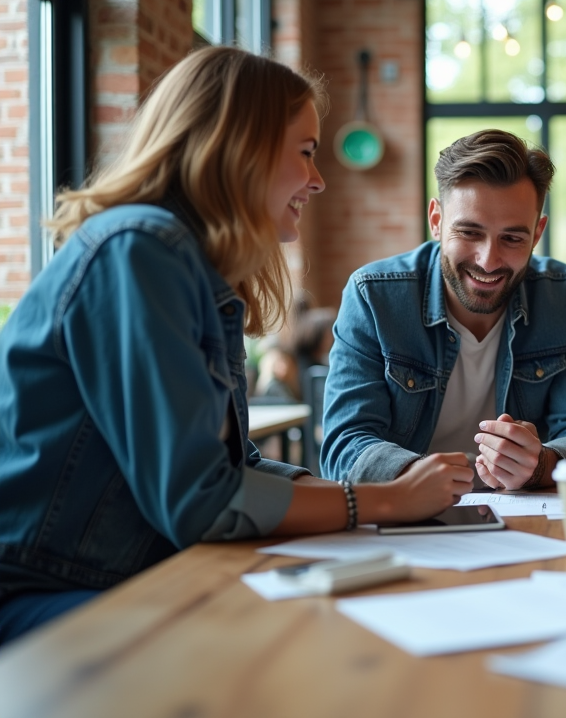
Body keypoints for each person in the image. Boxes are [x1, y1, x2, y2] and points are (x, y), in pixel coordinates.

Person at [0, 48, 474, 646]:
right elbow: (203, 503)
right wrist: (382, 502)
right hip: (41, 591)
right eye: (305, 152)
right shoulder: (138, 251)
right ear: (240, 149)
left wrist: (399, 496)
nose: (318, 179)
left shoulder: (181, 263)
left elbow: (231, 468)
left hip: (111, 577)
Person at [321, 129, 566, 491]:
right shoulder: (374, 297)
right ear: (436, 220)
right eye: (470, 233)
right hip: (407, 516)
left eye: (512, 238)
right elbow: (343, 448)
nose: (488, 260)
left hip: (526, 514)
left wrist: (541, 465)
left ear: (537, 234)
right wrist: (421, 476)